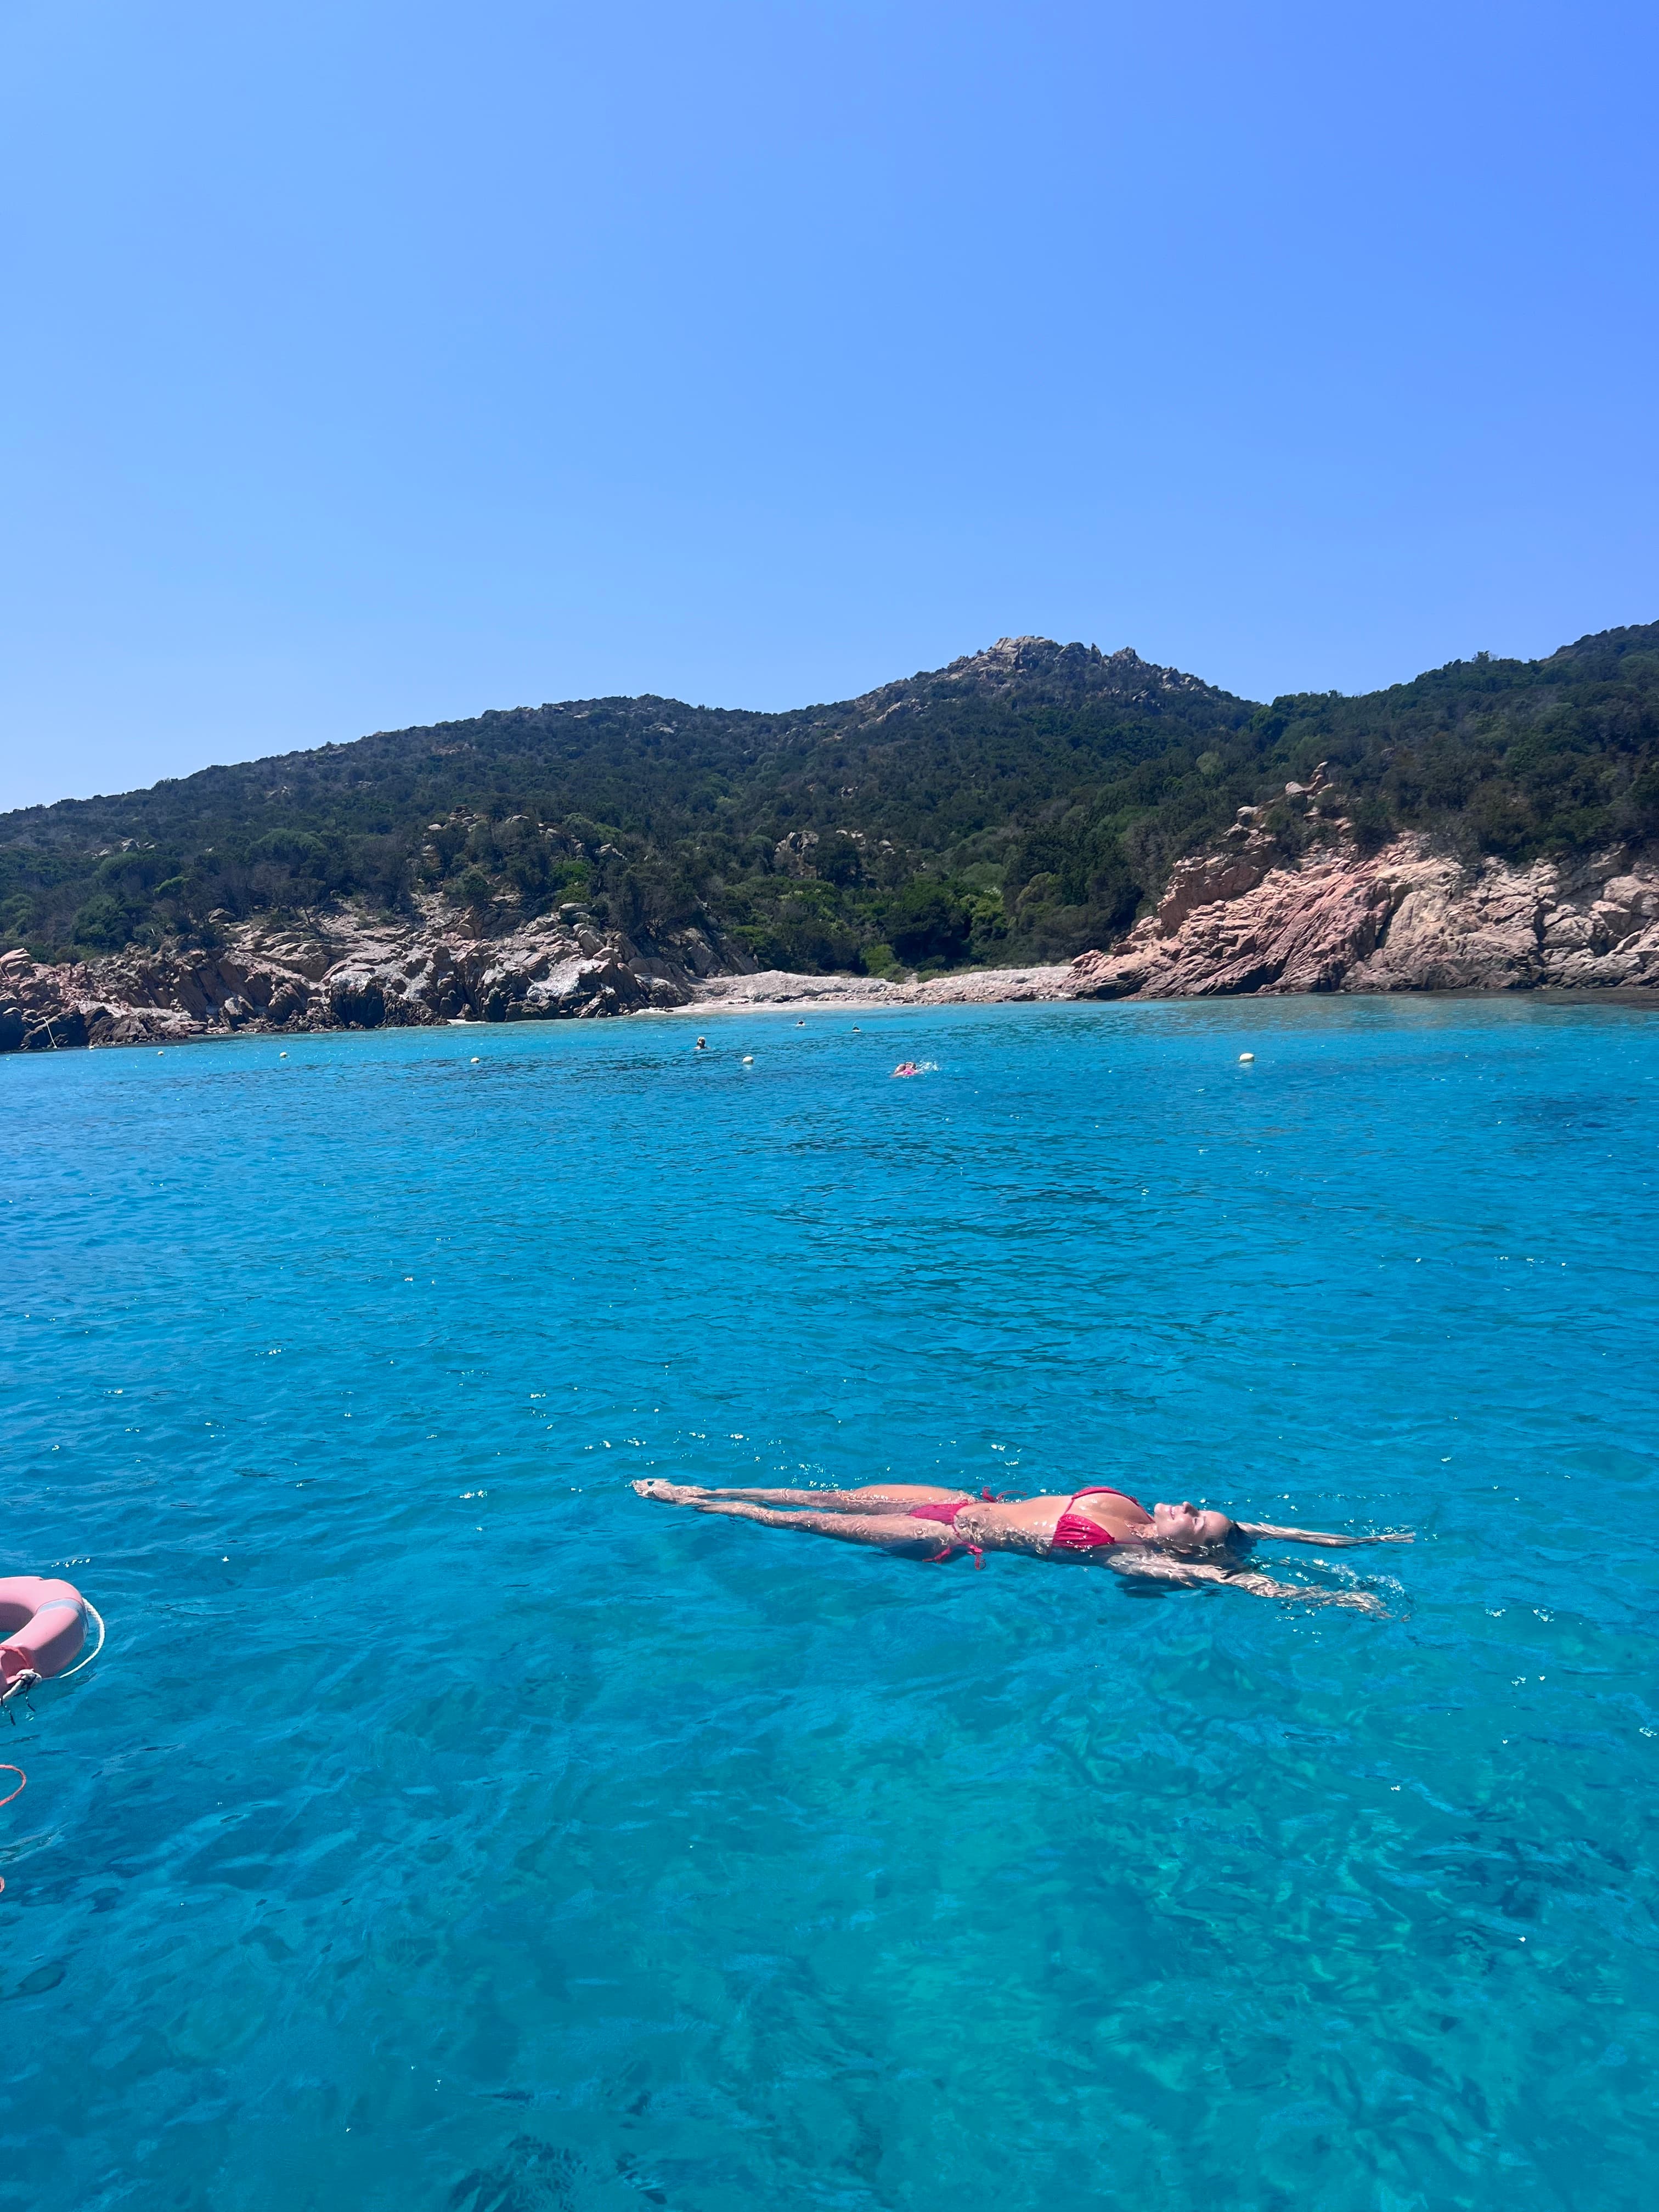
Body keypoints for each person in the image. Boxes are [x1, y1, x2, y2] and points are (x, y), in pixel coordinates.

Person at [633, 1479, 1409, 1609]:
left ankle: (687, 1502)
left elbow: (1246, 1581)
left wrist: (1332, 1596)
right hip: (963, 1501)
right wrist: (1360, 1542)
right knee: (829, 1494)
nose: (1188, 1506)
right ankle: (706, 1485)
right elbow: (1263, 1532)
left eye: (1193, 1520)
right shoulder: (1142, 1513)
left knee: (803, 1522)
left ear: (1181, 1552)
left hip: (950, 1539)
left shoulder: (1135, 1559)